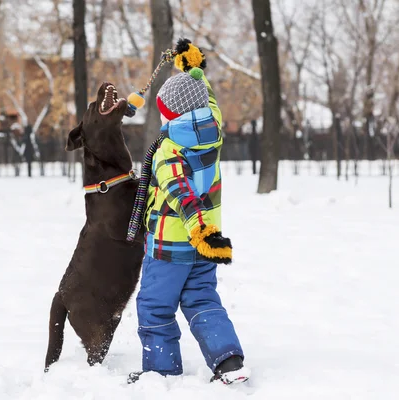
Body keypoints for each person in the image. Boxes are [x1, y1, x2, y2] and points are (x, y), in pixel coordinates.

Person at [128, 40, 250, 385]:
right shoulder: (213, 131)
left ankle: (160, 371)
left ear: (170, 115)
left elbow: (183, 195)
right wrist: (190, 65)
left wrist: (200, 230)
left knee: (154, 306)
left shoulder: (170, 151)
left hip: (171, 246)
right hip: (204, 247)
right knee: (201, 299)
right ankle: (229, 361)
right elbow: (203, 92)